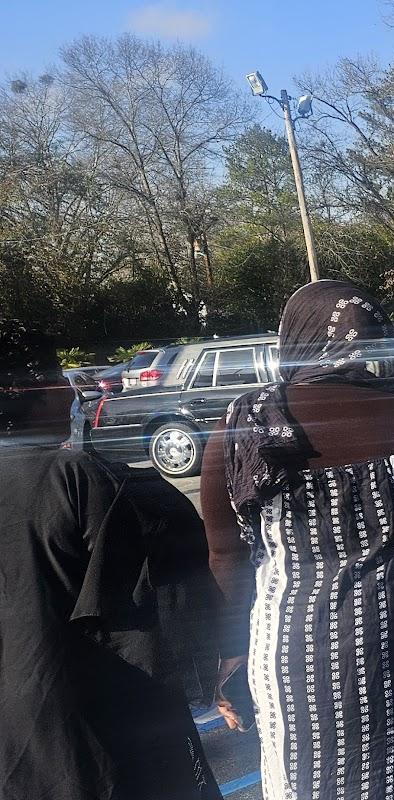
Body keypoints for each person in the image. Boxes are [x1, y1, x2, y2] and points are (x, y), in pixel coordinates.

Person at [201, 281, 394, 799]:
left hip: (294, 650)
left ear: (293, 338)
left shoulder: (249, 420)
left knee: (312, 776)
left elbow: (224, 556)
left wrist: (228, 662)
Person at [0, 320, 222, 800]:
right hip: (87, 743)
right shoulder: (79, 480)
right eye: (58, 378)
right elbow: (143, 622)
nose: (69, 392)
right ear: (31, 388)